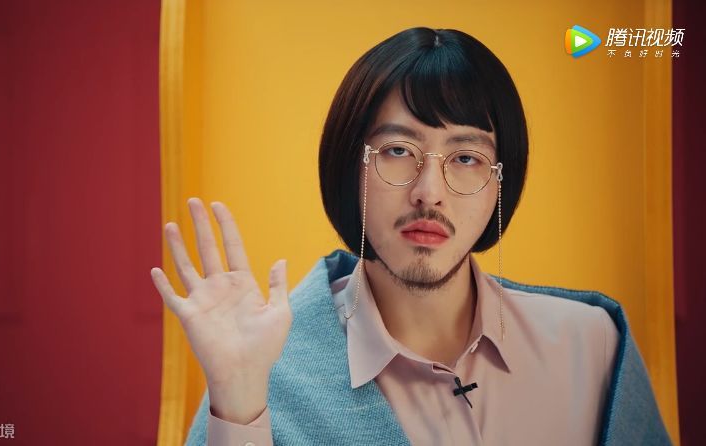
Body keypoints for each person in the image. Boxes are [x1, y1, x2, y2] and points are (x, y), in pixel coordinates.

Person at [150, 27, 671, 445]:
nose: (429, 193)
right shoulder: (265, 370)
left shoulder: (592, 345)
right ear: (348, 167)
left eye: (466, 158)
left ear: (501, 183)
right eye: (398, 151)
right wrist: (237, 405)